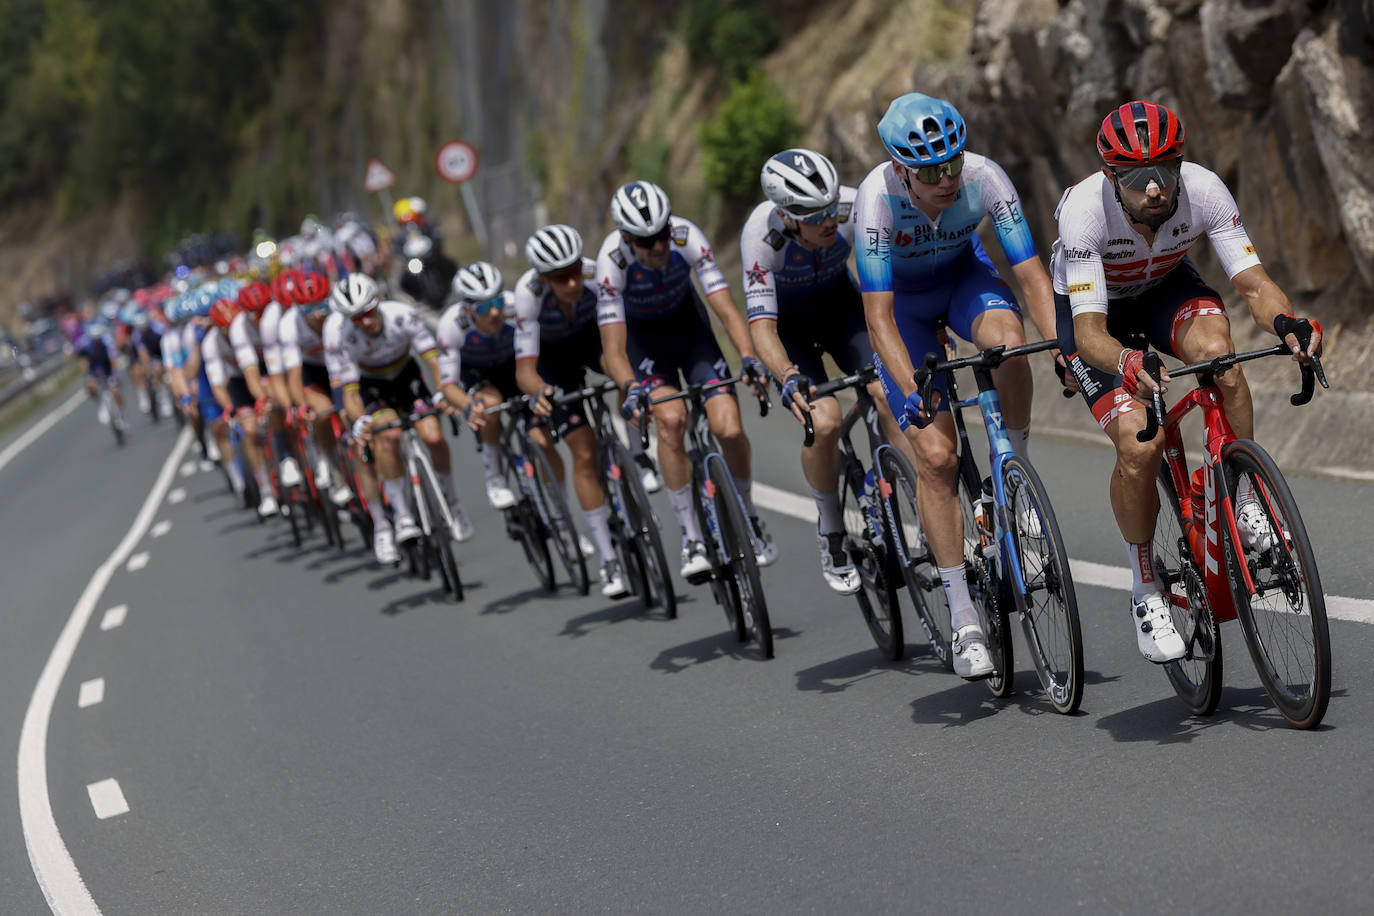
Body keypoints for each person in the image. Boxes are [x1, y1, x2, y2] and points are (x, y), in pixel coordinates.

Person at [1052, 99, 1324, 663]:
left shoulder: (1204, 190)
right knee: (1138, 442)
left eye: (1164, 172)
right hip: (1095, 317)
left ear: (1180, 165)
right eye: (1136, 178)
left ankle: (1244, 497)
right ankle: (1146, 586)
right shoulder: (1084, 212)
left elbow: (1252, 283)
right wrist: (1127, 363)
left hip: (1165, 288)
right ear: (1111, 177)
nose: (1154, 189)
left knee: (1221, 357)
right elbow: (1090, 334)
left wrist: (1287, 322)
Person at [855, 92, 1061, 678]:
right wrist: (909, 389)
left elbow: (1029, 273)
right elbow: (878, 317)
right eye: (931, 171)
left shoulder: (985, 176)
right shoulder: (876, 201)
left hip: (966, 281)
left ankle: (1014, 484)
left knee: (1009, 345)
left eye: (953, 163)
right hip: (906, 314)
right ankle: (963, 614)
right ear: (901, 169)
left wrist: (1064, 349)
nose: (948, 179)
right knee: (938, 458)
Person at [744, 148, 912, 594]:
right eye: (813, 214)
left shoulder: (854, 206)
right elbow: (761, 328)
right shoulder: (761, 237)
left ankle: (907, 486)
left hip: (843, 312)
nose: (827, 220)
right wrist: (786, 375)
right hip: (791, 329)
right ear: (785, 215)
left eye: (829, 207)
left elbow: (896, 276)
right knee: (825, 421)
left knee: (886, 393)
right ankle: (831, 527)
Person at [596, 180, 777, 580]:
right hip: (645, 348)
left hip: (692, 334)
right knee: (672, 420)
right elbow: (612, 349)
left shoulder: (686, 236)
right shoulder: (612, 261)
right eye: (646, 241)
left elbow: (727, 310)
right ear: (627, 239)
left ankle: (748, 514)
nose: (659, 247)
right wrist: (631, 389)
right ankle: (691, 536)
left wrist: (748, 357)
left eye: (661, 235)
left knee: (728, 428)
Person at [326, 272, 474, 566]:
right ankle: (401, 517)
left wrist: (442, 394)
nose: (365, 322)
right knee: (387, 436)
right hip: (371, 385)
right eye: (357, 318)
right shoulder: (341, 335)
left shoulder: (403, 316)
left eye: (368, 313)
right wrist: (359, 422)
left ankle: (452, 503)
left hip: (406, 377)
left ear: (378, 302)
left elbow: (433, 361)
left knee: (433, 435)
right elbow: (351, 394)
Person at [515, 225, 630, 598]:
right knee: (583, 451)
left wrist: (629, 380)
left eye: (575, 270)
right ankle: (608, 558)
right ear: (543, 278)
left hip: (594, 342)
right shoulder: (527, 294)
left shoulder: (597, 274)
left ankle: (640, 461)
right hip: (553, 364)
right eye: (561, 277)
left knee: (629, 380)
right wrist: (540, 391)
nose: (572, 282)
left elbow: (622, 338)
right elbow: (524, 372)